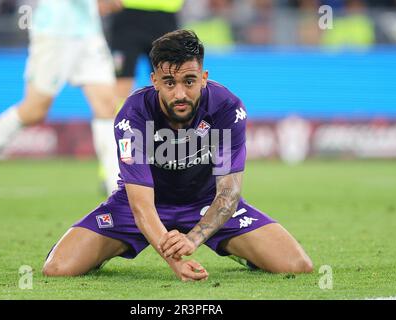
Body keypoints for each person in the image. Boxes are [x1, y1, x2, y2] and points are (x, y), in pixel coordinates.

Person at [42, 30, 313, 281]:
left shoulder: (227, 109)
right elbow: (141, 206)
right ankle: (101, 252)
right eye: (169, 82)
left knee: (297, 265)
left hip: (207, 202)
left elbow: (229, 194)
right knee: (57, 268)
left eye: (190, 81)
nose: (180, 93)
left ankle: (241, 252)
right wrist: (175, 261)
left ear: (204, 78)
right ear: (155, 81)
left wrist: (193, 239)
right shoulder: (133, 115)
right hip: (142, 206)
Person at [0, 0, 119, 210]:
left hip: (88, 32)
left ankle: (116, 192)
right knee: (34, 110)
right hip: (54, 31)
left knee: (107, 106)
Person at [100, 0, 185, 105]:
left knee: (166, 81)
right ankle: (120, 120)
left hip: (165, 19)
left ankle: (159, 120)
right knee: (121, 80)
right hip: (127, 18)